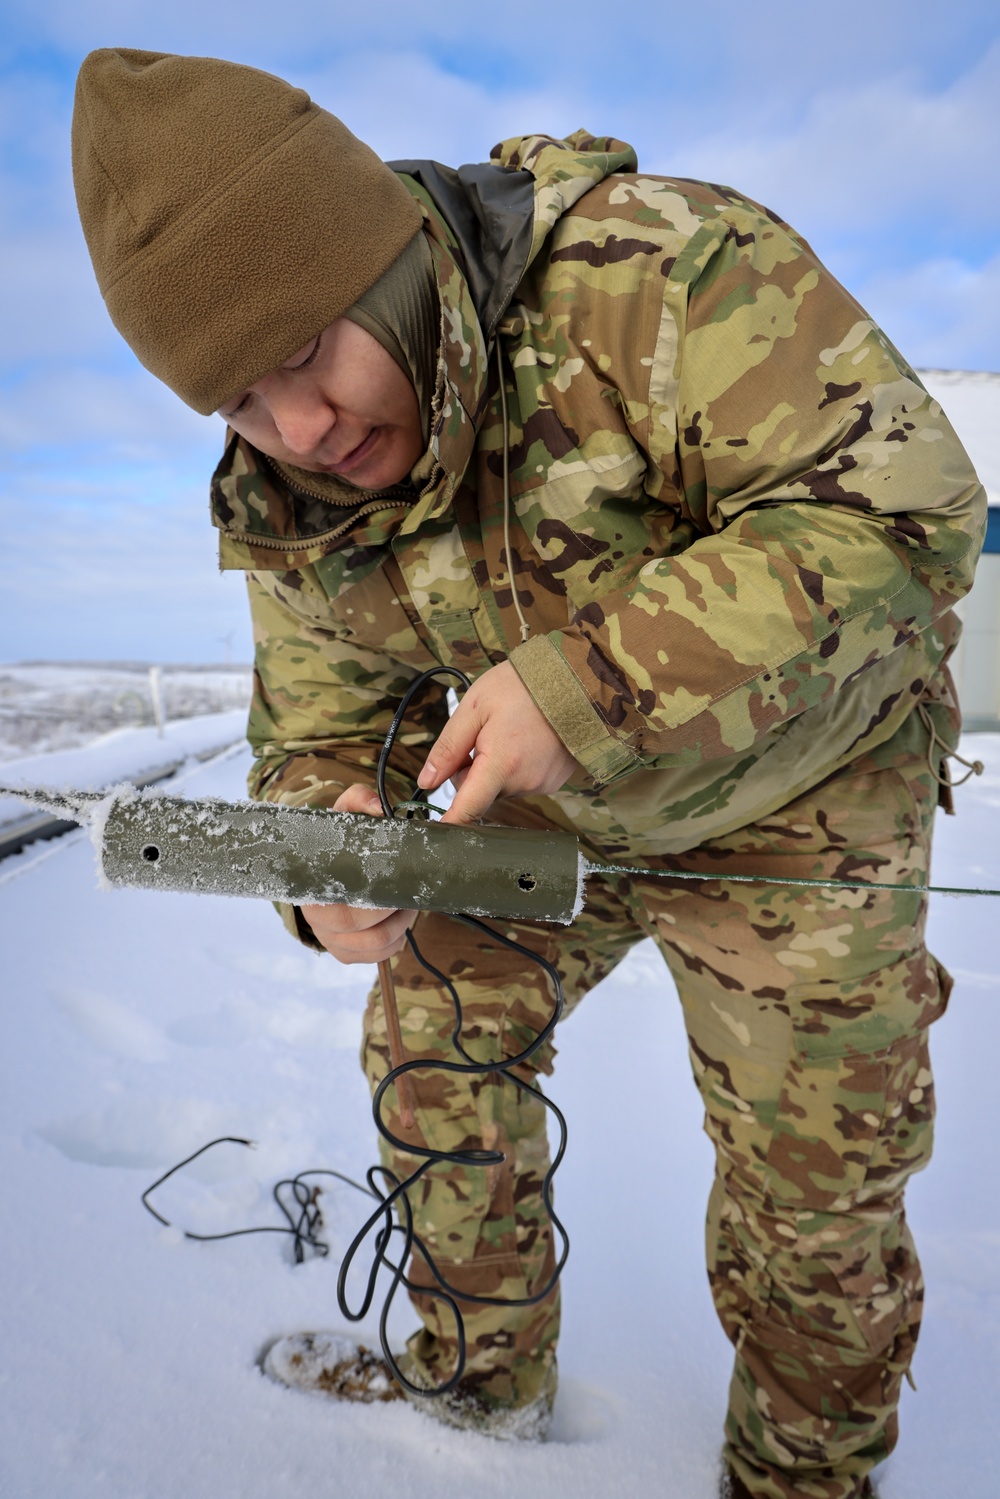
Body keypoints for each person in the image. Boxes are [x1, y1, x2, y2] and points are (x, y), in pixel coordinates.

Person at [71, 47, 986, 1499]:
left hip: (806, 796)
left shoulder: (655, 278)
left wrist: (590, 680)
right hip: (544, 801)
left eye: (307, 349)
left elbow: (905, 512)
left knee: (814, 1189)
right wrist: (322, 868)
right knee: (428, 1035)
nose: (300, 429)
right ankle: (478, 1382)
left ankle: (804, 1478)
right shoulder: (294, 502)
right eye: (240, 401)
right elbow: (314, 730)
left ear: (378, 257)